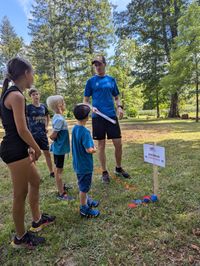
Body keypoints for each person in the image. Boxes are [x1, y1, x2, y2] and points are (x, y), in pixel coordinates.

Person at [0, 57, 55, 249]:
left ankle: (37, 220)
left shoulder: (13, 93)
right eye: (32, 72)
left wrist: (30, 146)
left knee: (36, 181)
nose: (33, 76)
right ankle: (21, 238)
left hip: (19, 147)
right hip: (14, 150)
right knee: (19, 194)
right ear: (26, 73)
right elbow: (22, 130)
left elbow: (18, 129)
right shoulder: (16, 96)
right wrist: (37, 148)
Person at [84, 55, 130, 184]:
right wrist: (91, 107)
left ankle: (118, 168)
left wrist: (119, 107)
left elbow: (116, 97)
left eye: (99, 64)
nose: (97, 67)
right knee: (101, 145)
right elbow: (86, 101)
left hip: (111, 116)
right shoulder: (91, 81)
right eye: (95, 65)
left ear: (104, 64)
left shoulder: (111, 80)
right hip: (98, 117)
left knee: (118, 143)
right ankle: (104, 171)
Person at [72, 103, 100, 218]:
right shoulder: (85, 131)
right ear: (87, 117)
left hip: (78, 163)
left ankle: (87, 200)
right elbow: (89, 149)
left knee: (82, 183)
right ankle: (84, 208)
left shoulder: (75, 128)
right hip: (85, 165)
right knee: (84, 188)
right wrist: (94, 149)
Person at [46, 95, 74, 201]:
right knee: (59, 170)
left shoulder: (58, 117)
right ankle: (61, 193)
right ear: (59, 105)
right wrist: (53, 138)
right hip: (59, 149)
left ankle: (61, 185)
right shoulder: (59, 120)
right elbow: (53, 135)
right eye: (64, 102)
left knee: (58, 169)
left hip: (60, 148)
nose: (65, 104)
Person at [27, 88, 54, 178]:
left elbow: (47, 115)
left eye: (37, 94)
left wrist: (46, 126)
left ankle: (51, 172)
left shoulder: (43, 106)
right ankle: (35, 175)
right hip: (32, 135)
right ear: (30, 97)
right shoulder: (28, 107)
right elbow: (25, 120)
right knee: (33, 154)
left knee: (47, 153)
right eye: (33, 94)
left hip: (42, 135)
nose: (35, 96)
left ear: (39, 95)